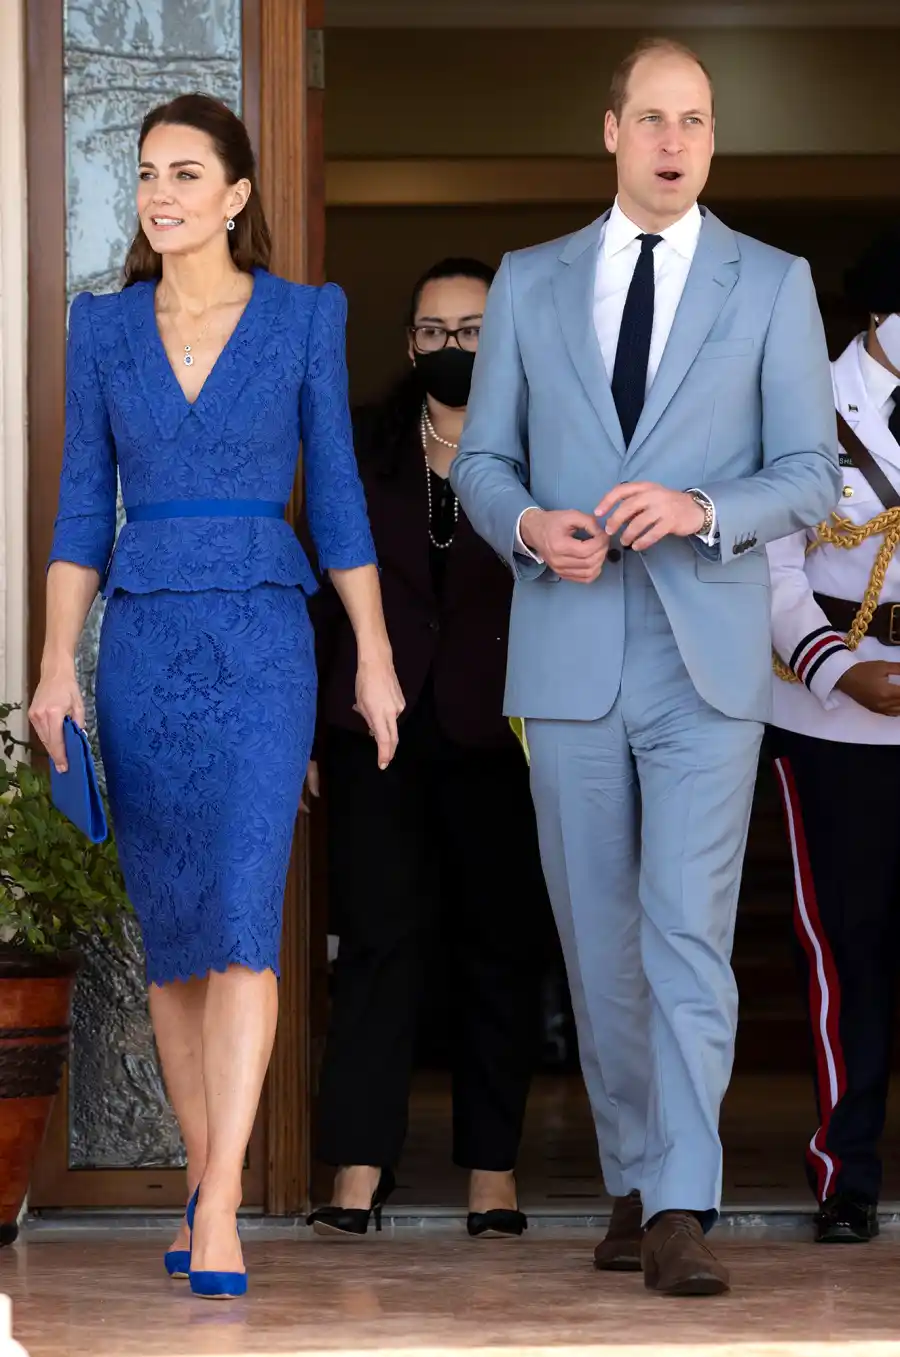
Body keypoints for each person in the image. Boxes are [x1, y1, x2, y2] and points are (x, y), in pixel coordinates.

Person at [450, 37, 841, 1296]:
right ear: (611, 130)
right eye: (655, 119)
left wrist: (700, 506)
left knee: (687, 928)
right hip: (566, 654)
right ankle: (631, 1177)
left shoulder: (772, 282)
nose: (677, 141)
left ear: (711, 140)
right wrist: (526, 526)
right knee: (597, 934)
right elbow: (480, 464)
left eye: (699, 121)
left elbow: (813, 474)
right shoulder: (529, 279)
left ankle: (680, 1199)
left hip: (706, 662)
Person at [28, 94, 403, 1299]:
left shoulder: (303, 319)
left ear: (238, 196)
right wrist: (52, 667)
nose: (162, 192)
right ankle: (206, 1178)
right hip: (141, 650)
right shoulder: (102, 328)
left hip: (260, 642)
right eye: (148, 173)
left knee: (243, 922)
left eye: (187, 173)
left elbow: (337, 500)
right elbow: (84, 507)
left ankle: (224, 1195)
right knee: (176, 943)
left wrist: (375, 654)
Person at [300, 259, 549, 1240]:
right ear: (409, 344)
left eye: (476, 329)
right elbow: (316, 583)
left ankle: (493, 1173)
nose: (454, 347)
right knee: (377, 944)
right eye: (435, 331)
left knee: (500, 951)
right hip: (379, 732)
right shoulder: (360, 445)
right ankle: (358, 1167)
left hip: (508, 734)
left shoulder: (547, 445)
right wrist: (317, 722)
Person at [767, 226, 900, 1246]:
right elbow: (769, 568)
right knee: (848, 949)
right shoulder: (802, 400)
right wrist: (837, 666)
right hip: (831, 714)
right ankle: (845, 1171)